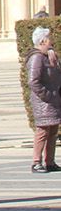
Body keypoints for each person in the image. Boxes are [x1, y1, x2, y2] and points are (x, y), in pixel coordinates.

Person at [29, 26, 61, 173]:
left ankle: (50, 161)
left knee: (53, 130)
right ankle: (36, 162)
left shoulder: (48, 56)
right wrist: (47, 95)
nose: (51, 42)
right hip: (43, 101)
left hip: (53, 99)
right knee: (42, 131)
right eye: (49, 39)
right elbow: (33, 81)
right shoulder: (36, 57)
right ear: (42, 41)